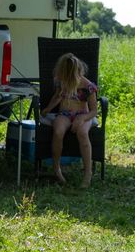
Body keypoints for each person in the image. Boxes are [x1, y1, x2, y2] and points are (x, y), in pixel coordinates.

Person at [40, 53, 99, 187]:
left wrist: (82, 118)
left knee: (83, 133)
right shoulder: (62, 82)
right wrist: (48, 108)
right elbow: (57, 96)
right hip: (65, 114)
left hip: (83, 114)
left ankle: (87, 173)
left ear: (77, 73)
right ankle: (56, 168)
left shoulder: (88, 87)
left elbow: (94, 111)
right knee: (58, 131)